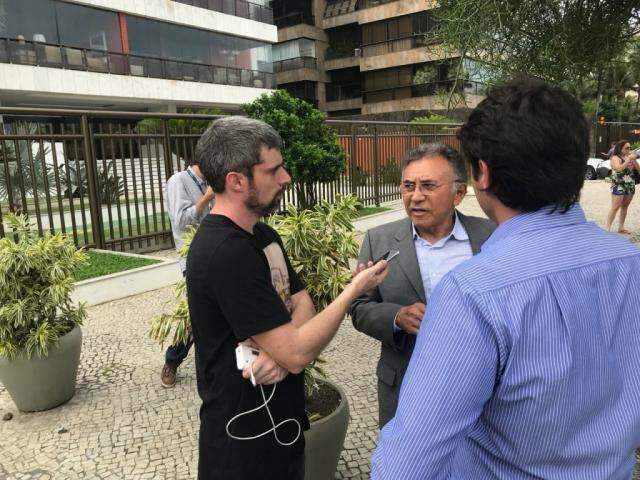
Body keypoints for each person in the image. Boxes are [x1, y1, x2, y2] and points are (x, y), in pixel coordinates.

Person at [372, 78, 640, 479]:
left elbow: (405, 465)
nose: (416, 195)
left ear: (480, 174)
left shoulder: (473, 292)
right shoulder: (631, 263)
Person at [185, 116, 388, 480]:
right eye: (273, 170)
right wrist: (353, 291)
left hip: (281, 429)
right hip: (241, 447)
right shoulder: (224, 252)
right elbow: (297, 352)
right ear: (236, 180)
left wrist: (279, 352)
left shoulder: (262, 235)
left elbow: (303, 301)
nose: (286, 178)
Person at [349, 143, 495, 428]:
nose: (415, 196)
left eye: (428, 185)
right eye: (408, 186)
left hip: (480, 388)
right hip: (405, 385)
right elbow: (358, 308)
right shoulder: (377, 240)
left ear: (459, 193)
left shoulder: (490, 236)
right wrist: (396, 317)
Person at [160, 159, 215, 388]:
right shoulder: (178, 181)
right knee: (196, 315)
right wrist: (208, 197)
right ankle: (172, 361)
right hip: (192, 259)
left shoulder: (207, 182)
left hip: (214, 254)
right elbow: (181, 221)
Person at [604, 139, 638, 234]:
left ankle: (621, 227)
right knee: (615, 206)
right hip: (619, 184)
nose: (629, 149)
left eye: (630, 148)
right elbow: (618, 169)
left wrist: (634, 160)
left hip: (629, 184)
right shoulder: (615, 157)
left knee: (625, 206)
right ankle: (607, 228)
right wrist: (628, 160)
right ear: (620, 148)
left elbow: (639, 170)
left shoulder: (630, 157)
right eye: (627, 148)